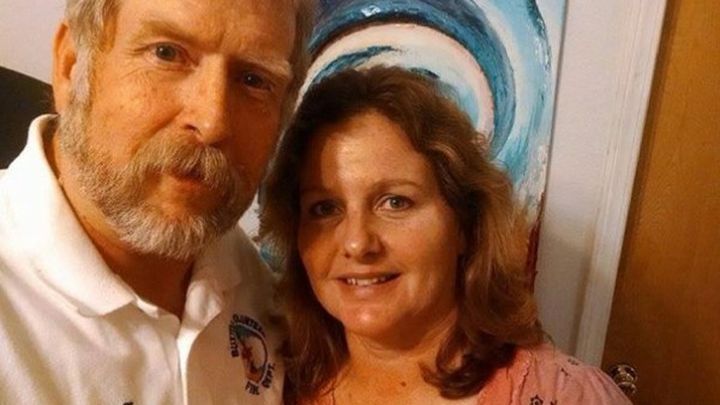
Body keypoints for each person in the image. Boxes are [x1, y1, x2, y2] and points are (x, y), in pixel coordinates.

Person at [0, 0, 314, 403]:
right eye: (166, 53)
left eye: (254, 80)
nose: (213, 122)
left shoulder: (265, 295)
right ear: (71, 65)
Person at [259, 66, 632, 404]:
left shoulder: (568, 396)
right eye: (324, 208)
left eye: (395, 202)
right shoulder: (262, 384)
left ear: (464, 225)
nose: (357, 243)